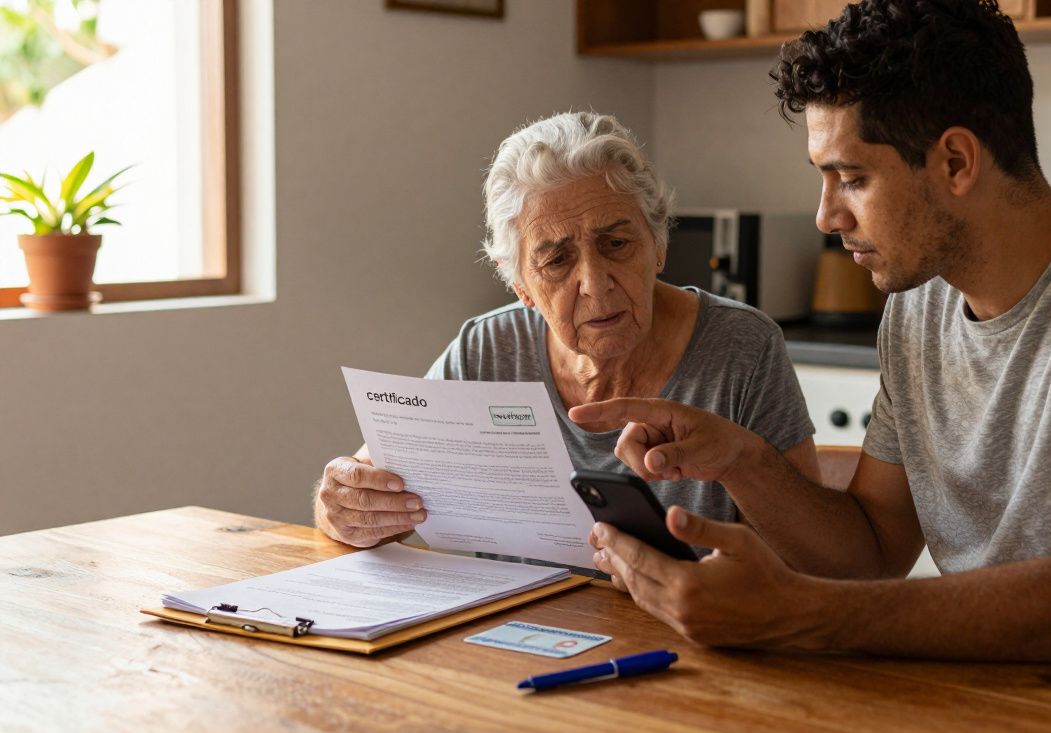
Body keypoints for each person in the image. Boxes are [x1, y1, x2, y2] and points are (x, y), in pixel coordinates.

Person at [571, 2, 1051, 733]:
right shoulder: (920, 309)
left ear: (955, 161)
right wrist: (741, 458)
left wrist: (795, 612)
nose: (825, 215)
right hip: (986, 715)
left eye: (849, 177)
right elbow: (872, 551)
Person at [313, 111, 818, 554]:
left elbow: (809, 552)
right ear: (521, 287)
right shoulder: (486, 351)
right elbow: (367, 500)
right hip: (522, 639)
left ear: (658, 245)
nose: (595, 286)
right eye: (556, 260)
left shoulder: (742, 348)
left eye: (617, 244)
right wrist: (344, 507)